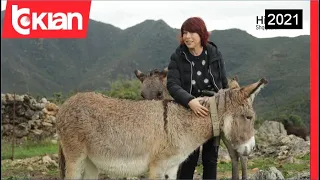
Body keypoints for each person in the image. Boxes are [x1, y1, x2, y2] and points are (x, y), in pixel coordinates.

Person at [166, 17, 229, 180]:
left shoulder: (214, 53)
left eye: (192, 32)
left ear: (201, 34)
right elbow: (172, 84)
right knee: (188, 158)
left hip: (213, 110)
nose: (187, 36)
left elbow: (223, 83)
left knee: (211, 158)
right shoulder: (178, 56)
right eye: (184, 33)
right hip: (188, 111)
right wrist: (190, 101)